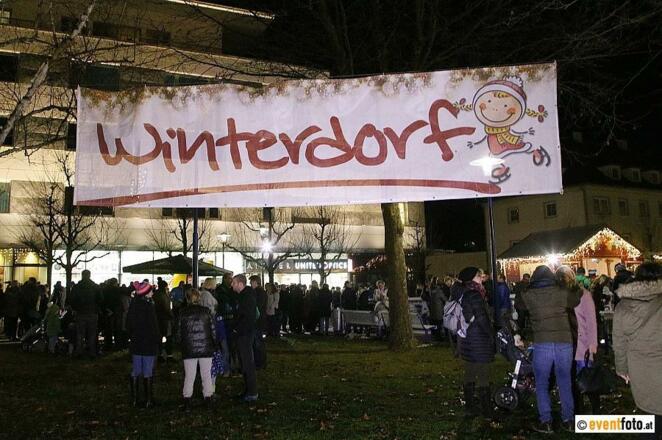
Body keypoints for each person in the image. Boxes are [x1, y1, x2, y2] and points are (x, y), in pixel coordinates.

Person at [522, 265, 582, 434]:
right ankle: (568, 420)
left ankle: (546, 421)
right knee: (565, 381)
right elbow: (577, 300)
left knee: (542, 382)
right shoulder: (562, 292)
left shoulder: (529, 295)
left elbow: (519, 303)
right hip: (564, 342)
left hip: (542, 343)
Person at [613, 262, 662, 437]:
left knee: (649, 418)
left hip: (640, 368)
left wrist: (622, 369)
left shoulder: (623, 306)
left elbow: (619, 342)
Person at [557, 266, 600, 415]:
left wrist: (592, 344)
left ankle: (594, 409)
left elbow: (591, 321)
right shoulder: (558, 297)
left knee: (587, 378)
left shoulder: (583, 295)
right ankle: (577, 410)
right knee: (571, 381)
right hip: (566, 345)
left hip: (582, 344)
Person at [454, 267, 494, 419]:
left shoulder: (464, 293)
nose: (481, 278)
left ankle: (470, 407)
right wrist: (491, 334)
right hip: (478, 339)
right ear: (471, 279)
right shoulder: (474, 294)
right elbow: (482, 318)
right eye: (479, 276)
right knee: (483, 374)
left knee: (470, 371)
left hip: (468, 339)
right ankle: (487, 410)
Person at [179, 288, 217, 406]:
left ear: (187, 298)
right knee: (206, 374)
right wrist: (214, 344)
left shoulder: (182, 312)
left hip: (189, 347)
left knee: (189, 375)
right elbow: (212, 330)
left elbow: (179, 332)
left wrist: (182, 344)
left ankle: (187, 398)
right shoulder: (206, 311)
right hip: (205, 347)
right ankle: (208, 396)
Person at [126, 281, 159, 408]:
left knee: (136, 369)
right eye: (151, 291)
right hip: (148, 342)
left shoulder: (133, 305)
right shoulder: (149, 306)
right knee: (147, 370)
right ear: (146, 293)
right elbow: (153, 325)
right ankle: (148, 400)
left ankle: (134, 399)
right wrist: (157, 339)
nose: (152, 293)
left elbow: (128, 324)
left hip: (136, 342)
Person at [232, 274, 258, 402]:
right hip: (244, 333)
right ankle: (249, 391)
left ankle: (252, 392)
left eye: (234, 283)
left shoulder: (246, 297)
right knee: (245, 362)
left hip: (245, 334)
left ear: (240, 284)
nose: (232, 285)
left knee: (247, 362)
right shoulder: (244, 296)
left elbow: (247, 317)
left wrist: (237, 329)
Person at [69, 270, 102, 359]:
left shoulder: (77, 287)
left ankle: (79, 351)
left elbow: (72, 300)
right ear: (89, 275)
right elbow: (100, 299)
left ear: (82, 275)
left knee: (80, 334)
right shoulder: (95, 286)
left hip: (80, 313)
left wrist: (76, 308)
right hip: (92, 312)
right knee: (92, 334)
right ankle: (92, 352)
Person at [153, 283, 174, 362]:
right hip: (165, 319)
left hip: (157, 319)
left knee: (159, 338)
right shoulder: (164, 296)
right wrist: (171, 316)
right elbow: (167, 308)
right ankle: (169, 355)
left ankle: (160, 355)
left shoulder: (155, 294)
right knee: (168, 337)